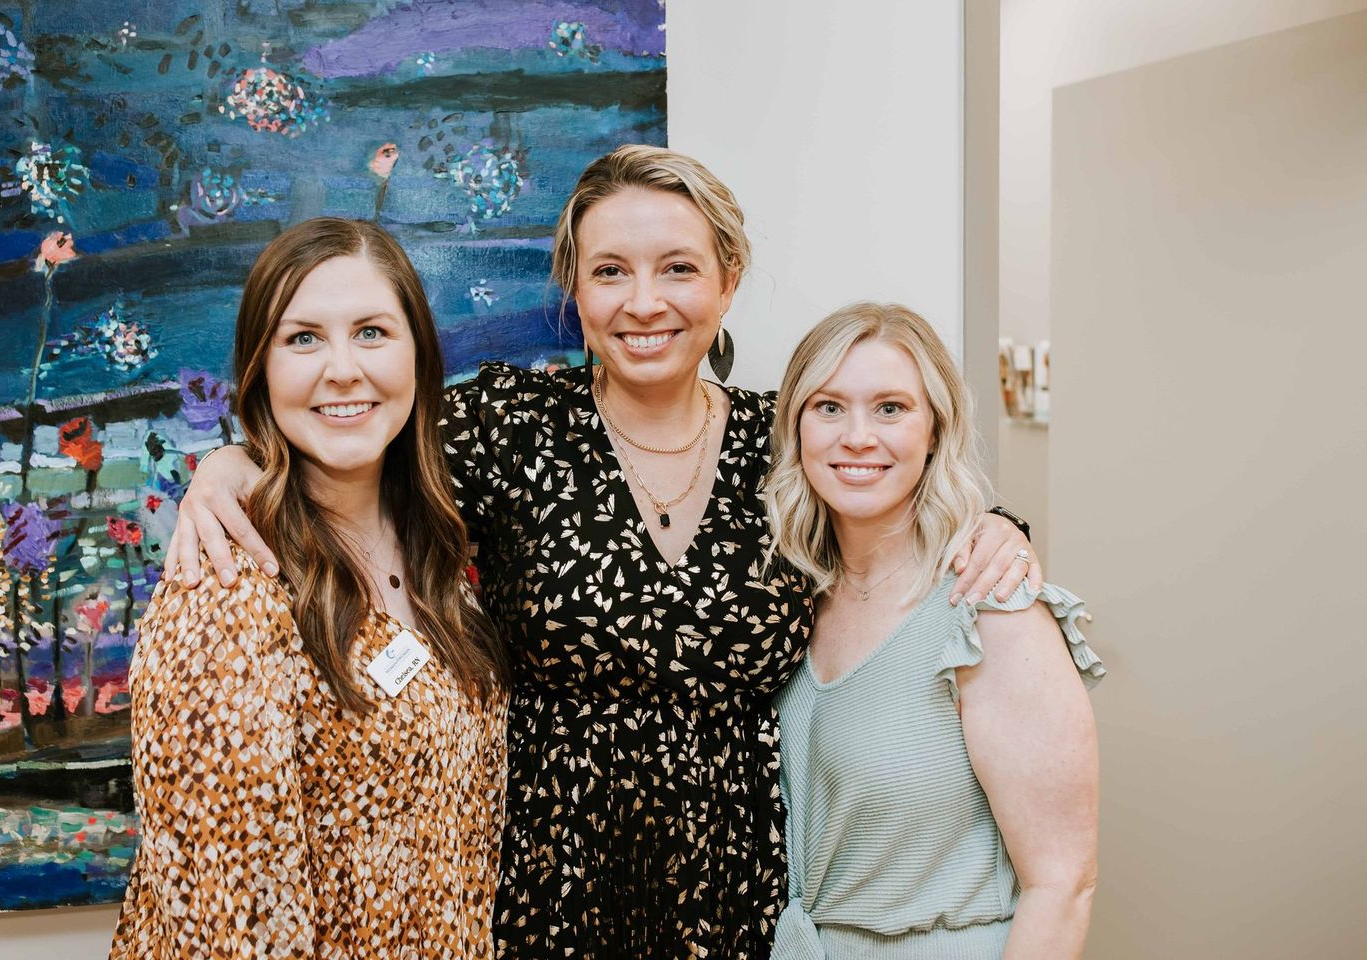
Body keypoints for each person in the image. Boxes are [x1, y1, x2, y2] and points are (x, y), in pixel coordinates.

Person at [162, 148, 1038, 958]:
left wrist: (997, 526)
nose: (643, 301)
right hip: (548, 898)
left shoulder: (787, 440)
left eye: (679, 269)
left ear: (728, 282)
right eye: (610, 272)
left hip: (741, 898)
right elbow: (355, 438)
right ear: (574, 292)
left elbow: (901, 489)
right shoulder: (510, 426)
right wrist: (230, 460)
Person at [111, 218, 510, 959]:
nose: (342, 370)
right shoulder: (227, 586)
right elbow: (226, 923)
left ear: (420, 357)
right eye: (303, 339)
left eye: (371, 332)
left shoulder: (440, 551)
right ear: (260, 371)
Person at [764, 302, 1104, 959]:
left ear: (934, 431)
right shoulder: (791, 603)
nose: (858, 436)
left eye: (891, 408)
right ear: (795, 429)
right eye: (828, 407)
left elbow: (1062, 884)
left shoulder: (990, 608)